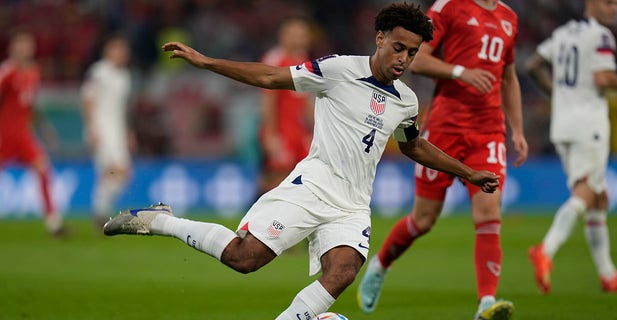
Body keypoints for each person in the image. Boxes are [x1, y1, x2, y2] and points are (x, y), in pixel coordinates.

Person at [103, 3, 500, 319]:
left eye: (412, 53)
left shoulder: (407, 101)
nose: (404, 59)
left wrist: (467, 173)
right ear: (380, 39)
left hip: (353, 204)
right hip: (313, 185)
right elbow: (270, 78)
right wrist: (208, 63)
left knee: (343, 272)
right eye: (399, 47)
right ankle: (162, 220)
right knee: (245, 259)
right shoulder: (338, 69)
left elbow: (413, 146)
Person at [357, 1, 528, 319]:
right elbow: (418, 60)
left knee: (489, 212)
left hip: (488, 130)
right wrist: (461, 72)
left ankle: (486, 303)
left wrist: (516, 129)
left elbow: (509, 77)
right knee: (423, 220)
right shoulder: (450, 7)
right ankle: (381, 264)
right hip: (445, 128)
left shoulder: (509, 18)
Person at [525, 0, 617, 294]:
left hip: (562, 124)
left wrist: (559, 94)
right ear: (592, 4)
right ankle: (545, 250)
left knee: (599, 198)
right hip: (588, 125)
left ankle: (608, 275)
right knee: (587, 192)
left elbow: (533, 65)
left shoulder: (564, 33)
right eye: (609, 3)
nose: (615, 9)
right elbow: (601, 78)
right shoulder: (601, 36)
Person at [0, 31, 65, 236]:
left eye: (27, 45)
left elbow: (31, 105)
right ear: (12, 48)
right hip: (3, 135)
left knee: (43, 169)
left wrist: (45, 129)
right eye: (19, 45)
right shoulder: (7, 72)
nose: (23, 50)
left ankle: (53, 223)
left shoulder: (33, 72)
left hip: (23, 136)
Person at [81, 35, 133, 229]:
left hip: (117, 132)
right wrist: (92, 129)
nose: (122, 54)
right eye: (118, 49)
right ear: (108, 50)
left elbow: (121, 108)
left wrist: (128, 132)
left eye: (124, 50)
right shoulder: (99, 71)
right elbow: (87, 99)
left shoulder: (124, 76)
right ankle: (100, 214)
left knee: (122, 175)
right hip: (102, 130)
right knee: (111, 171)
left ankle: (100, 210)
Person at [258, 17, 314, 194]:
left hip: (298, 131)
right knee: (276, 179)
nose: (300, 39)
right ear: (283, 36)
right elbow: (268, 100)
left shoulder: (302, 60)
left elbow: (305, 101)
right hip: (281, 130)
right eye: (295, 35)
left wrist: (315, 131)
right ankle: (256, 214)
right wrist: (271, 134)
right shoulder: (275, 59)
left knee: (301, 176)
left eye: (303, 35)